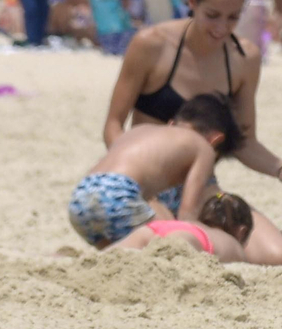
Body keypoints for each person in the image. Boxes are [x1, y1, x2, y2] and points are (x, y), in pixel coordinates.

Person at [102, 0, 282, 266]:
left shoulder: (244, 58)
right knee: (165, 245)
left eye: (232, 18)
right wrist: (131, 173)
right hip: (147, 181)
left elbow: (244, 141)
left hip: (201, 183)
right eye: (212, 15)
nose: (221, 28)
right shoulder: (152, 45)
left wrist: (280, 168)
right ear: (192, 0)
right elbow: (113, 125)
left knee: (279, 257)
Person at [68, 93, 241, 249]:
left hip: (81, 196)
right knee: (170, 243)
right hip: (119, 194)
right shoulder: (204, 148)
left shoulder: (141, 131)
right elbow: (187, 215)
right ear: (216, 139)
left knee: (113, 255)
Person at [115, 190, 255, 262]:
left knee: (109, 257)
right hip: (190, 238)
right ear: (242, 231)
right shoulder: (233, 245)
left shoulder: (195, 225)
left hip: (160, 226)